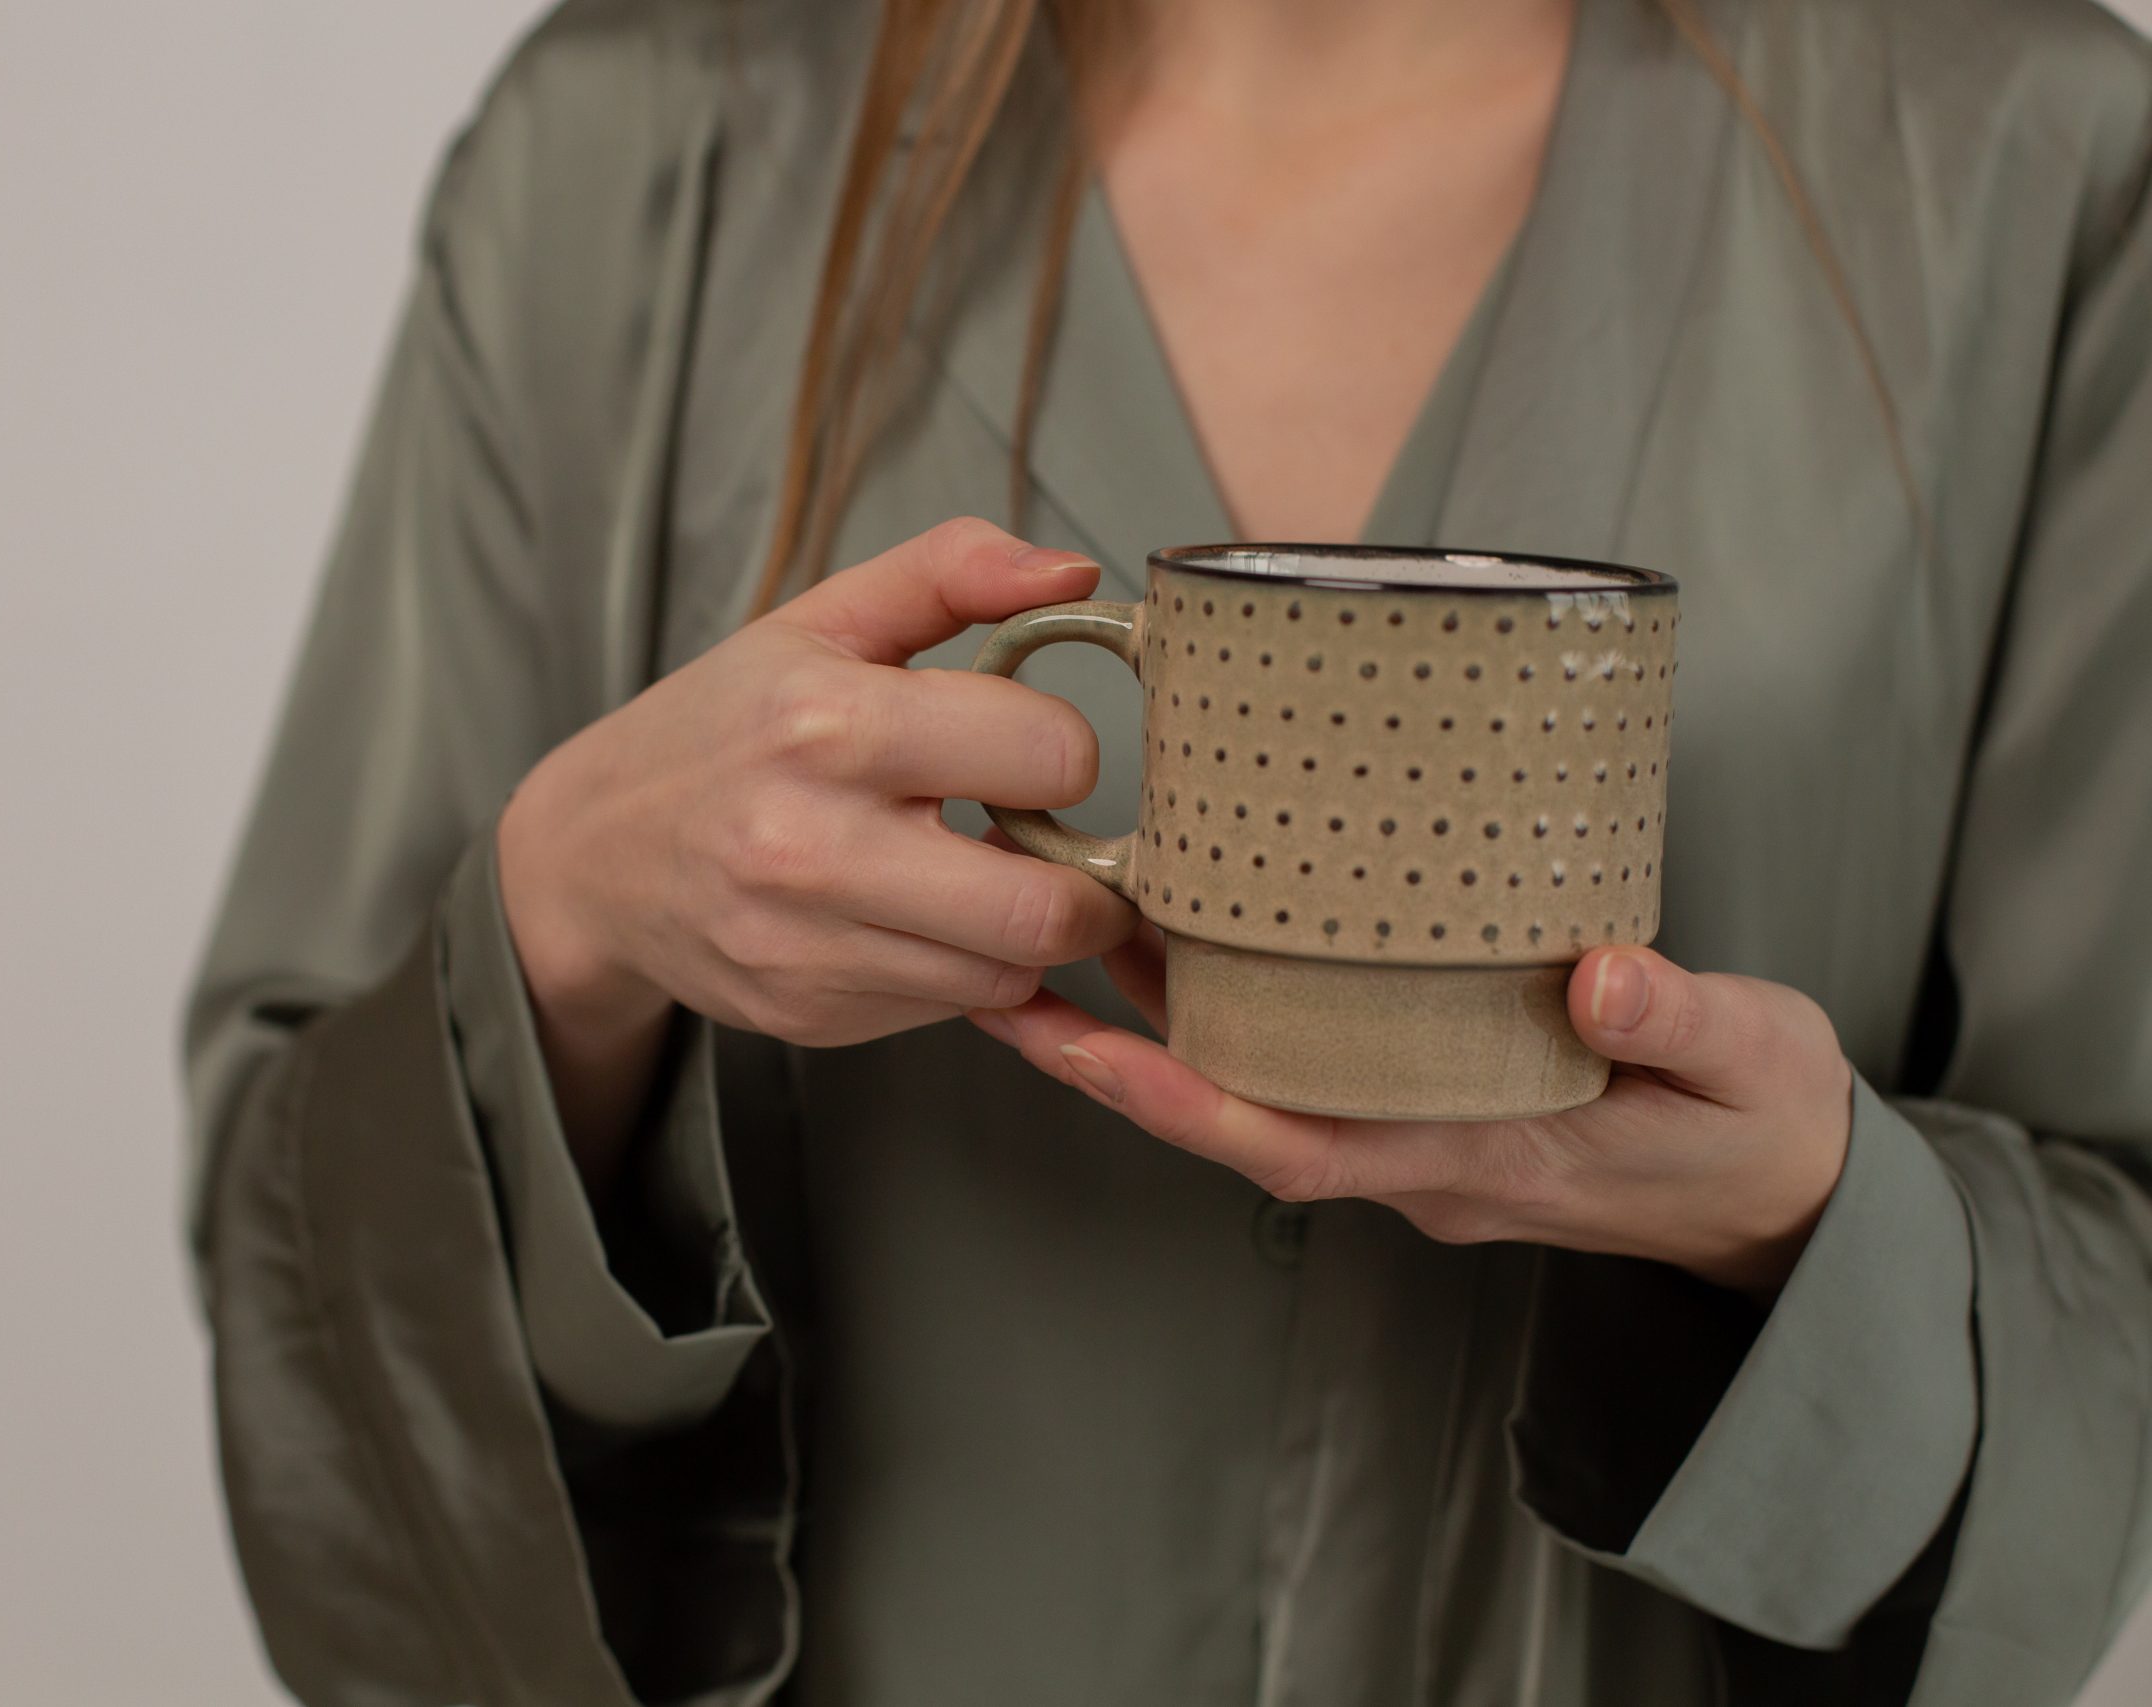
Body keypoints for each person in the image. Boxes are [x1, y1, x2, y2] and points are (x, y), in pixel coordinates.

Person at [183, 0, 2152, 1700]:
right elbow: (306, 1259)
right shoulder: (624, 150)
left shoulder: (2030, 168)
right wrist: (570, 920)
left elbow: (2116, 1283)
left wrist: (1795, 1216)